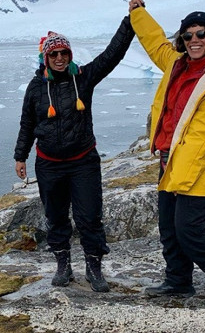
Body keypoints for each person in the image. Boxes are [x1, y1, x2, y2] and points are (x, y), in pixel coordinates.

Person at [128, 0, 205, 307]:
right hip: (170, 157)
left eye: (201, 34)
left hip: (198, 162)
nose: (194, 40)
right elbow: (156, 44)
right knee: (169, 227)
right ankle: (179, 281)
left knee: (189, 229)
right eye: (188, 35)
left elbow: (204, 133)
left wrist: (181, 173)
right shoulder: (178, 64)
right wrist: (138, 14)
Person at [14, 15, 134, 291]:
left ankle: (94, 268)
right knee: (55, 217)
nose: (59, 58)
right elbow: (27, 124)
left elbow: (111, 55)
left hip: (83, 163)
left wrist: (130, 22)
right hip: (49, 165)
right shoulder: (35, 88)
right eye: (54, 53)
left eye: (64, 53)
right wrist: (20, 156)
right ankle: (63, 266)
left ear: (70, 54)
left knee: (89, 217)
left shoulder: (84, 78)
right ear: (46, 57)